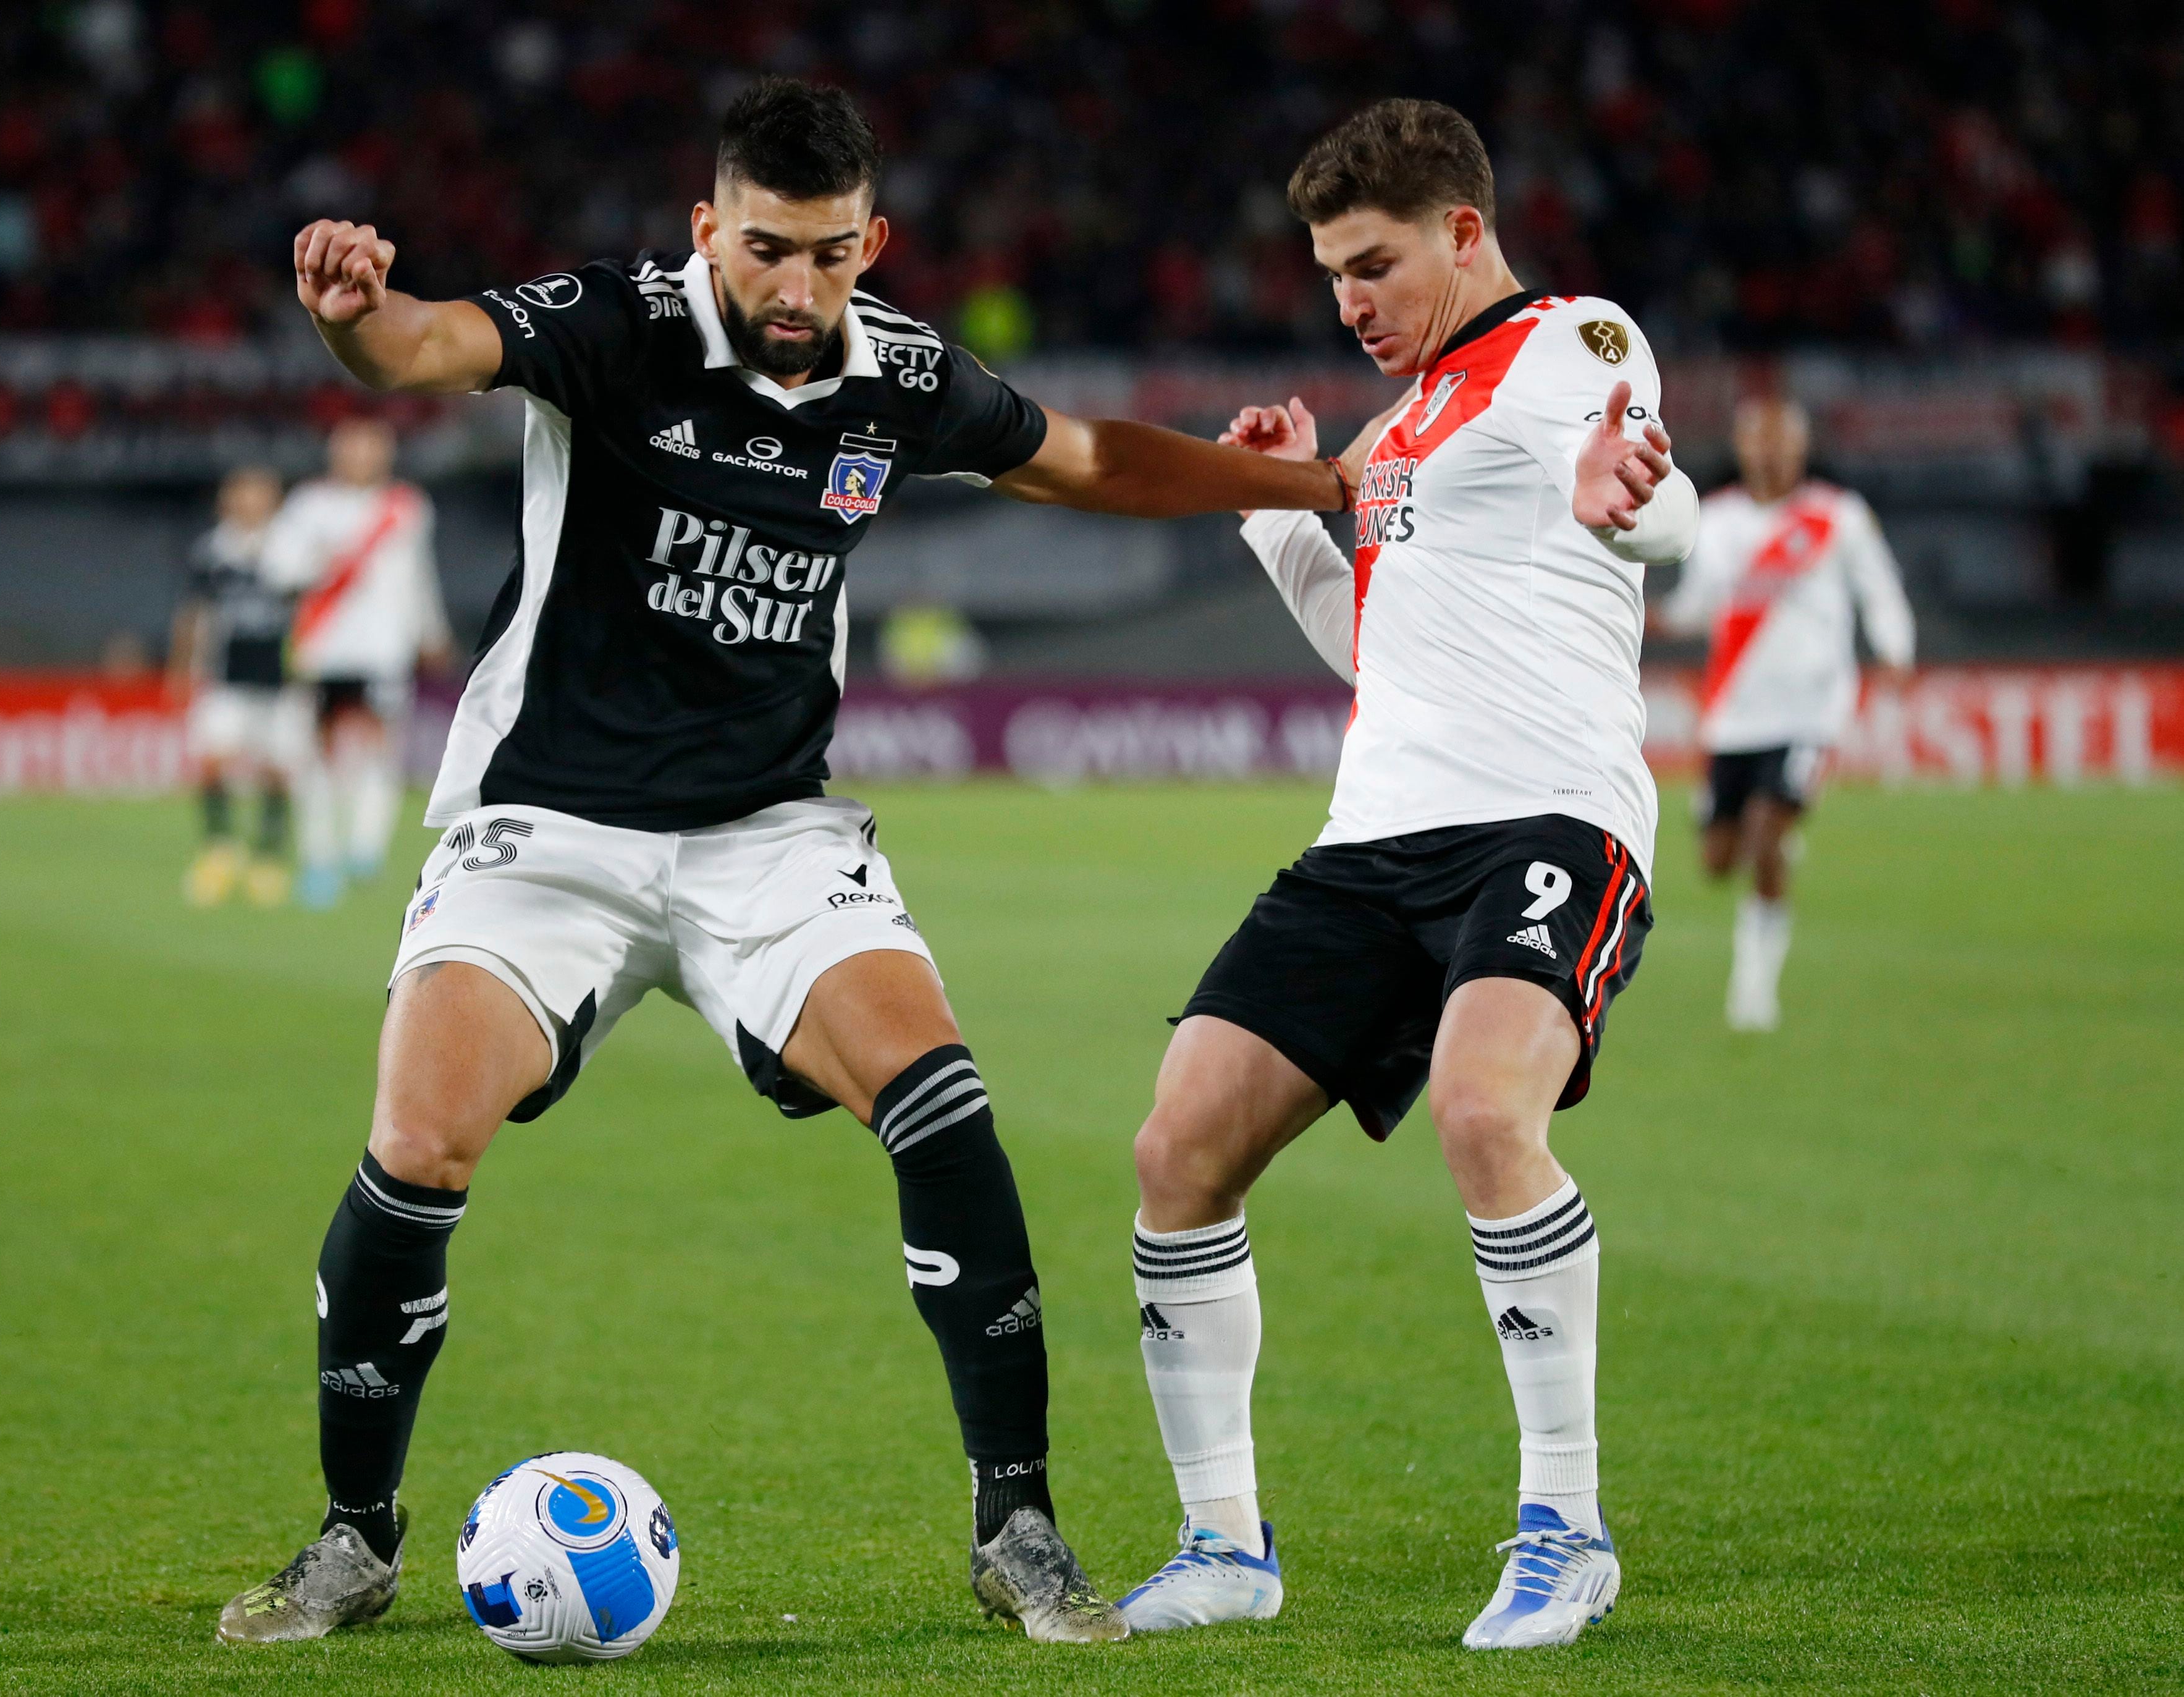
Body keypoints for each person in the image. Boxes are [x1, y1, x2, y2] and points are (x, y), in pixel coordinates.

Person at [216, 77, 1349, 1649]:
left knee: (943, 1099)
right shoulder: (613, 325)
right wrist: (355, 314)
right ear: (706, 230)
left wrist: (1309, 485)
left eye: (828, 256)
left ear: (870, 241)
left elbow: (1083, 459)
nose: (797, 291)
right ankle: (354, 1535)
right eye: (764, 252)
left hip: (766, 831)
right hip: (548, 825)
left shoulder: (897, 375)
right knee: (417, 1145)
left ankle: (1016, 1526)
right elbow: (426, 344)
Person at [1108, 99, 1696, 1651]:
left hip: (1549, 818)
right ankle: (1223, 1543)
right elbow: (1367, 645)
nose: (1346, 303)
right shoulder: (1390, 433)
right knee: (1176, 1147)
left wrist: (1636, 507)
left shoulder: (1573, 344)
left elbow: (1645, 481)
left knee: (1481, 1106)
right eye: (1325, 278)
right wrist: (1279, 516)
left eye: (1370, 265)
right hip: (1375, 834)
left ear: (1459, 229)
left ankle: (1563, 1525)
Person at [1651, 397, 1914, 1030]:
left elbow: (1879, 588)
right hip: (1735, 710)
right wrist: (1655, 620)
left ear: (1800, 447)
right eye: (1757, 440)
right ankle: (1771, 842)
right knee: (1718, 862)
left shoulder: (1836, 516)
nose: (1769, 452)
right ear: (1741, 447)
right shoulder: (1712, 520)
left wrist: (1894, 650)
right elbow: (1699, 604)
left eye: (1781, 440)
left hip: (1808, 707)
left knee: (1766, 834)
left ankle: (1753, 991)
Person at [262, 417, 452, 909]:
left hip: (383, 647)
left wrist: (431, 632)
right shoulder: (309, 505)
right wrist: (316, 565)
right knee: (318, 754)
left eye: (372, 448)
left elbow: (418, 576)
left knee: (379, 747)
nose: (362, 457)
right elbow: (276, 569)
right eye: (352, 447)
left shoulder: (406, 506)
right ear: (334, 452)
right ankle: (321, 857)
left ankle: (365, 848)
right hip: (322, 646)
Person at [171, 465, 300, 908]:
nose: (250, 501)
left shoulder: (294, 549)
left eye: (259, 492)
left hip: (284, 681)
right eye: (241, 493)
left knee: (278, 769)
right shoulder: (212, 551)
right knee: (212, 761)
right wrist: (182, 667)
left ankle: (267, 859)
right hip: (225, 676)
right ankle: (219, 849)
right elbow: (194, 613)